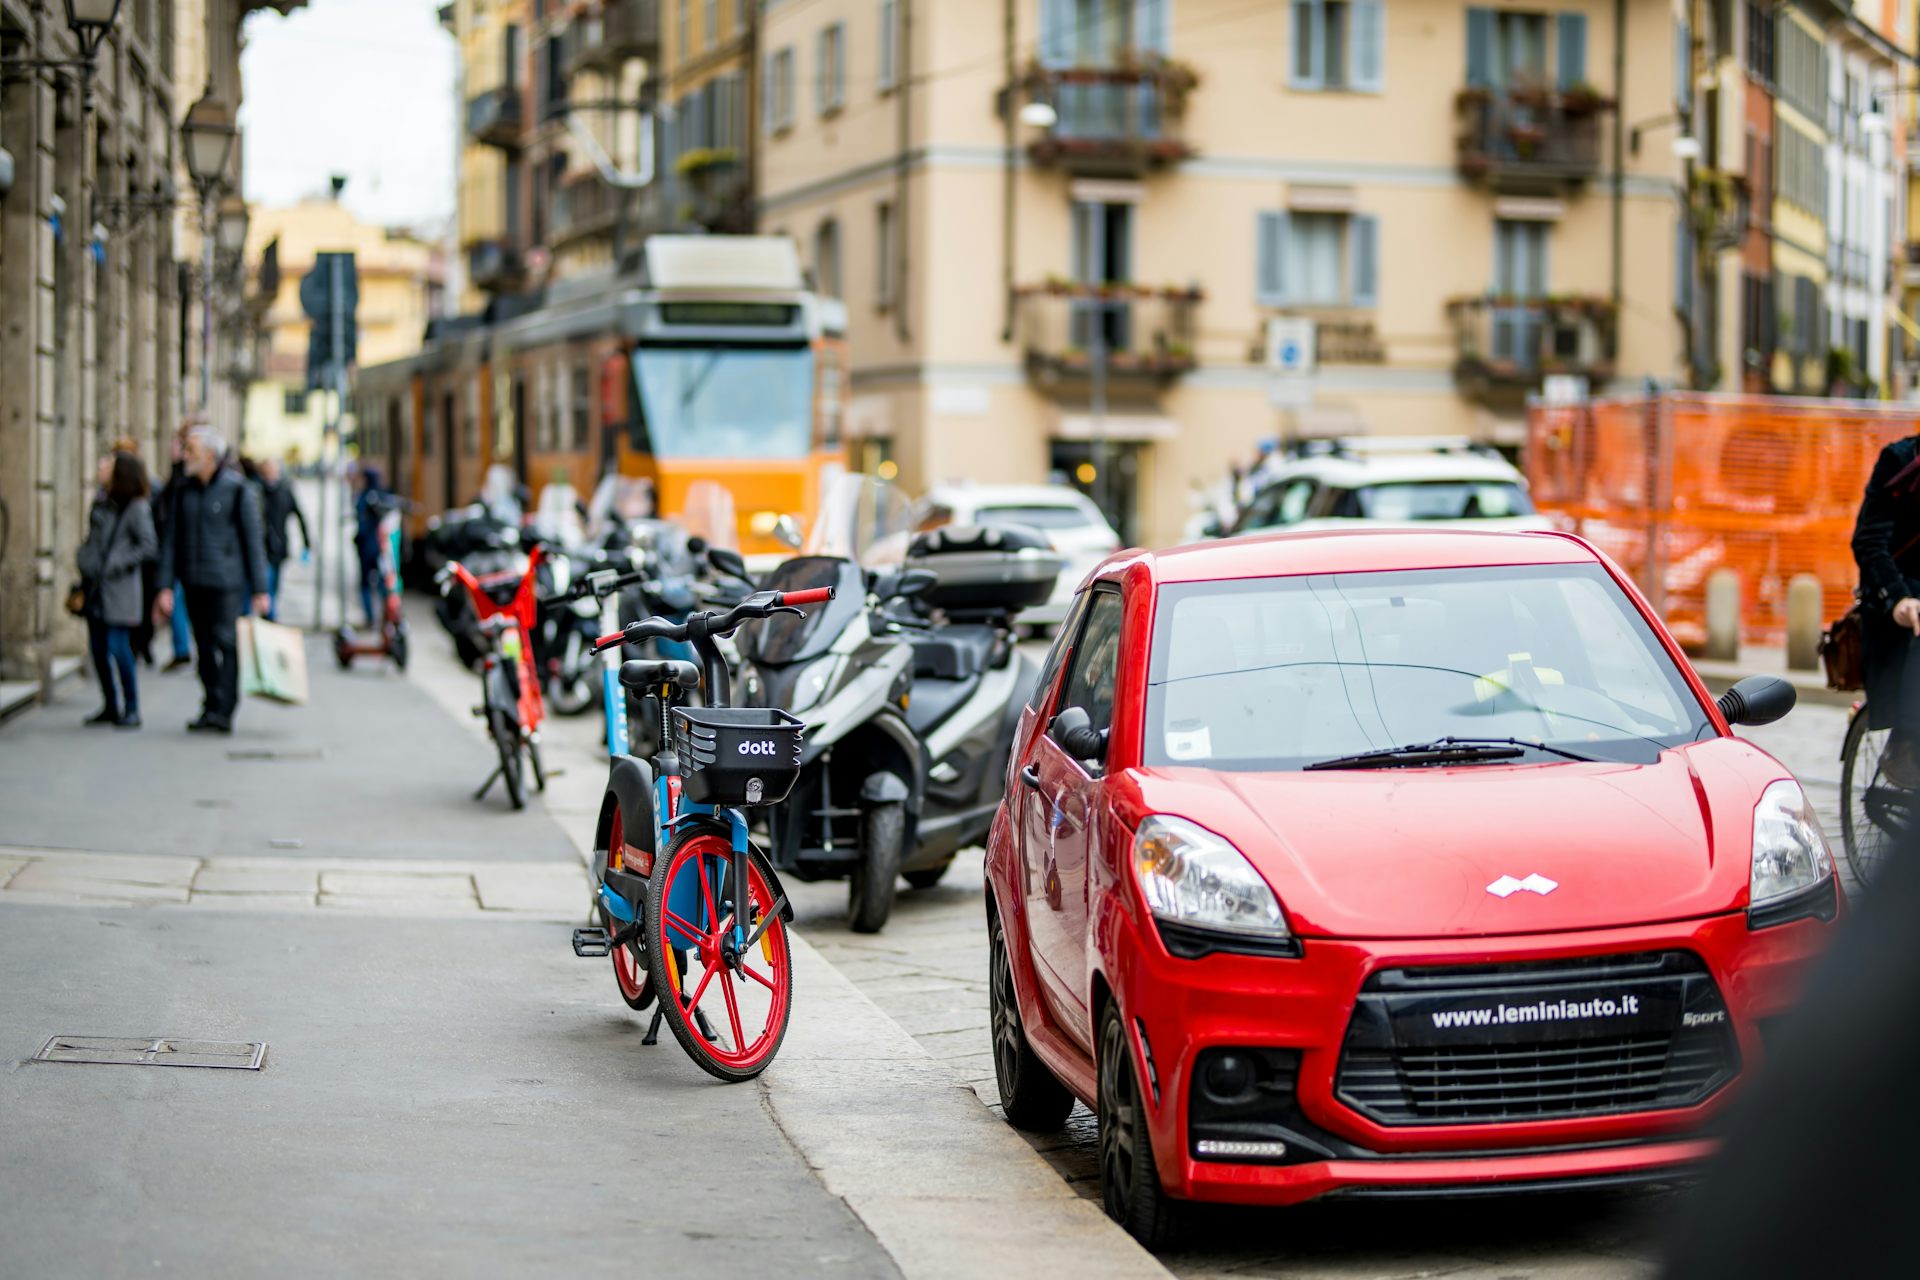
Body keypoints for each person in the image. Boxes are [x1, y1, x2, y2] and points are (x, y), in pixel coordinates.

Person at [155, 426, 271, 734]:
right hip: (193, 581)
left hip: (226, 582)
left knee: (227, 643)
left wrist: (260, 588)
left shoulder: (237, 489)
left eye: (191, 450)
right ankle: (211, 702)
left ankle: (225, 708)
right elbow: (170, 541)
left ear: (210, 455)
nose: (185, 456)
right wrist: (164, 585)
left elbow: (252, 541)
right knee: (203, 645)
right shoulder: (182, 490)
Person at [1850, 434, 1920, 786]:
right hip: (1893, 600)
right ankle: (1905, 744)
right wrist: (1898, 598)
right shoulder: (1901, 461)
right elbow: (1868, 540)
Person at [77, 451, 157, 727]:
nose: (100, 467)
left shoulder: (136, 507)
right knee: (98, 648)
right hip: (97, 586)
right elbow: (93, 540)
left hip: (121, 590)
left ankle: (132, 707)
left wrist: (117, 563)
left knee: (118, 646)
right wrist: (84, 558)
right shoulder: (101, 503)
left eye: (106, 465)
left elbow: (148, 545)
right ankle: (110, 704)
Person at [153, 426, 196, 672]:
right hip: (178, 553)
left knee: (180, 603)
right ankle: (182, 648)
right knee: (178, 602)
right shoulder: (179, 478)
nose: (170, 449)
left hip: (186, 555)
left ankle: (183, 649)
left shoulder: (185, 480)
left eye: (176, 445)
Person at [254, 457, 309, 621]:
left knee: (275, 583)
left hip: (279, 546)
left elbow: (300, 516)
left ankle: (269, 613)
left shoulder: (285, 491)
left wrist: (307, 543)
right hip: (262, 548)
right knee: (267, 582)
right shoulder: (257, 491)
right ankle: (270, 616)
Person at [353, 465, 388, 627]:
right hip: (381, 547)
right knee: (382, 582)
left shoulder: (364, 498)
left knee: (366, 583)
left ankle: (370, 616)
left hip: (367, 546)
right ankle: (384, 614)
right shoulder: (383, 496)